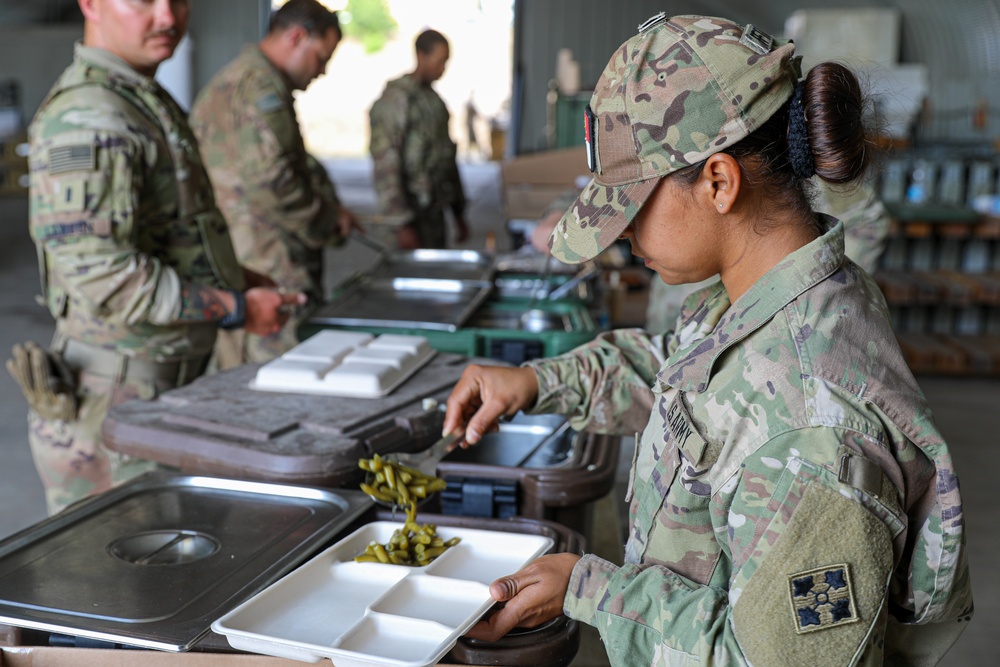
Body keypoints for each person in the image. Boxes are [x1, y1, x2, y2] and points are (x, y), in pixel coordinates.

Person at [443, 14, 972, 665]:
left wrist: (589, 588)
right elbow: (692, 376)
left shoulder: (814, 442)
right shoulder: (771, 292)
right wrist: (540, 380)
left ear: (719, 182)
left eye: (633, 208)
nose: (626, 238)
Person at [13, 0, 302, 514]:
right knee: (117, 584)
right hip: (118, 400)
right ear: (90, 5)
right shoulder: (90, 116)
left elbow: (170, 234)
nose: (168, 17)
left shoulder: (139, 96)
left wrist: (236, 280)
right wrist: (234, 308)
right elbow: (101, 273)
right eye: (143, 0)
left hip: (161, 386)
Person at [190, 0, 359, 368]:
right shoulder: (259, 88)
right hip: (268, 257)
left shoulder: (241, 79)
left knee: (242, 368)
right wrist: (325, 221)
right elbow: (273, 183)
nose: (323, 70)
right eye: (320, 57)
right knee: (280, 368)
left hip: (241, 248)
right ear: (296, 37)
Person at [645, 178, 892, 334]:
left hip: (768, 314)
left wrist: (817, 284)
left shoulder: (804, 175)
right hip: (697, 312)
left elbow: (869, 219)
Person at [369, 29, 469, 250]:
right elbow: (386, 166)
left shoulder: (434, 103)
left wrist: (458, 212)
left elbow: (447, 159)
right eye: (439, 61)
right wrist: (400, 223)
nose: (442, 69)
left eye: (446, 62)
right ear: (420, 56)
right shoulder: (397, 100)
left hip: (433, 216)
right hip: (407, 218)